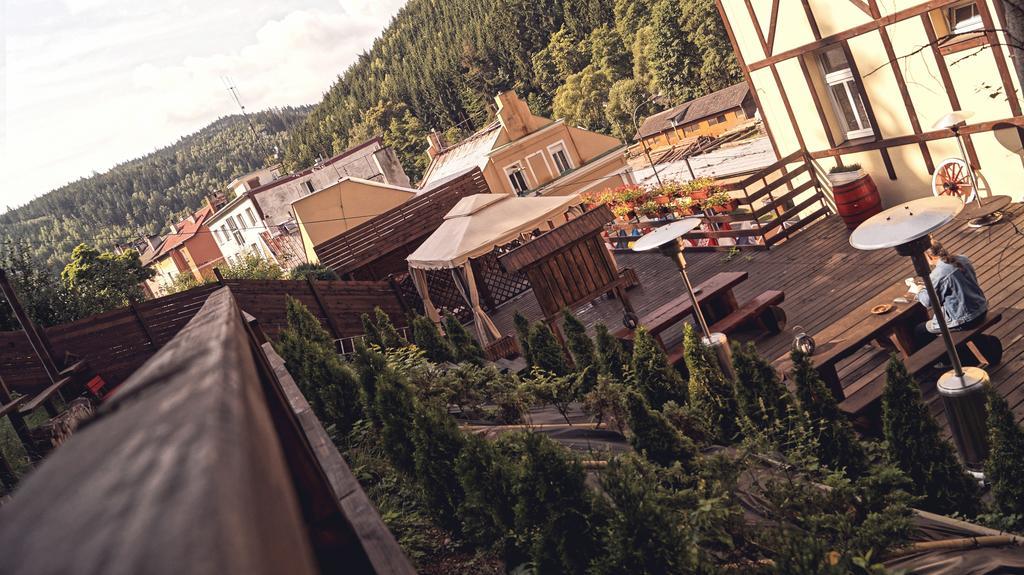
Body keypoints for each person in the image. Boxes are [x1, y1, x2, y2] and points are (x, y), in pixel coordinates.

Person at [909, 238, 988, 350]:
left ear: (929, 257)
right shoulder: (963, 259)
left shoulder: (938, 274)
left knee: (920, 330)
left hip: (965, 319)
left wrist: (919, 291)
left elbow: (927, 302)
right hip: (981, 308)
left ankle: (942, 360)